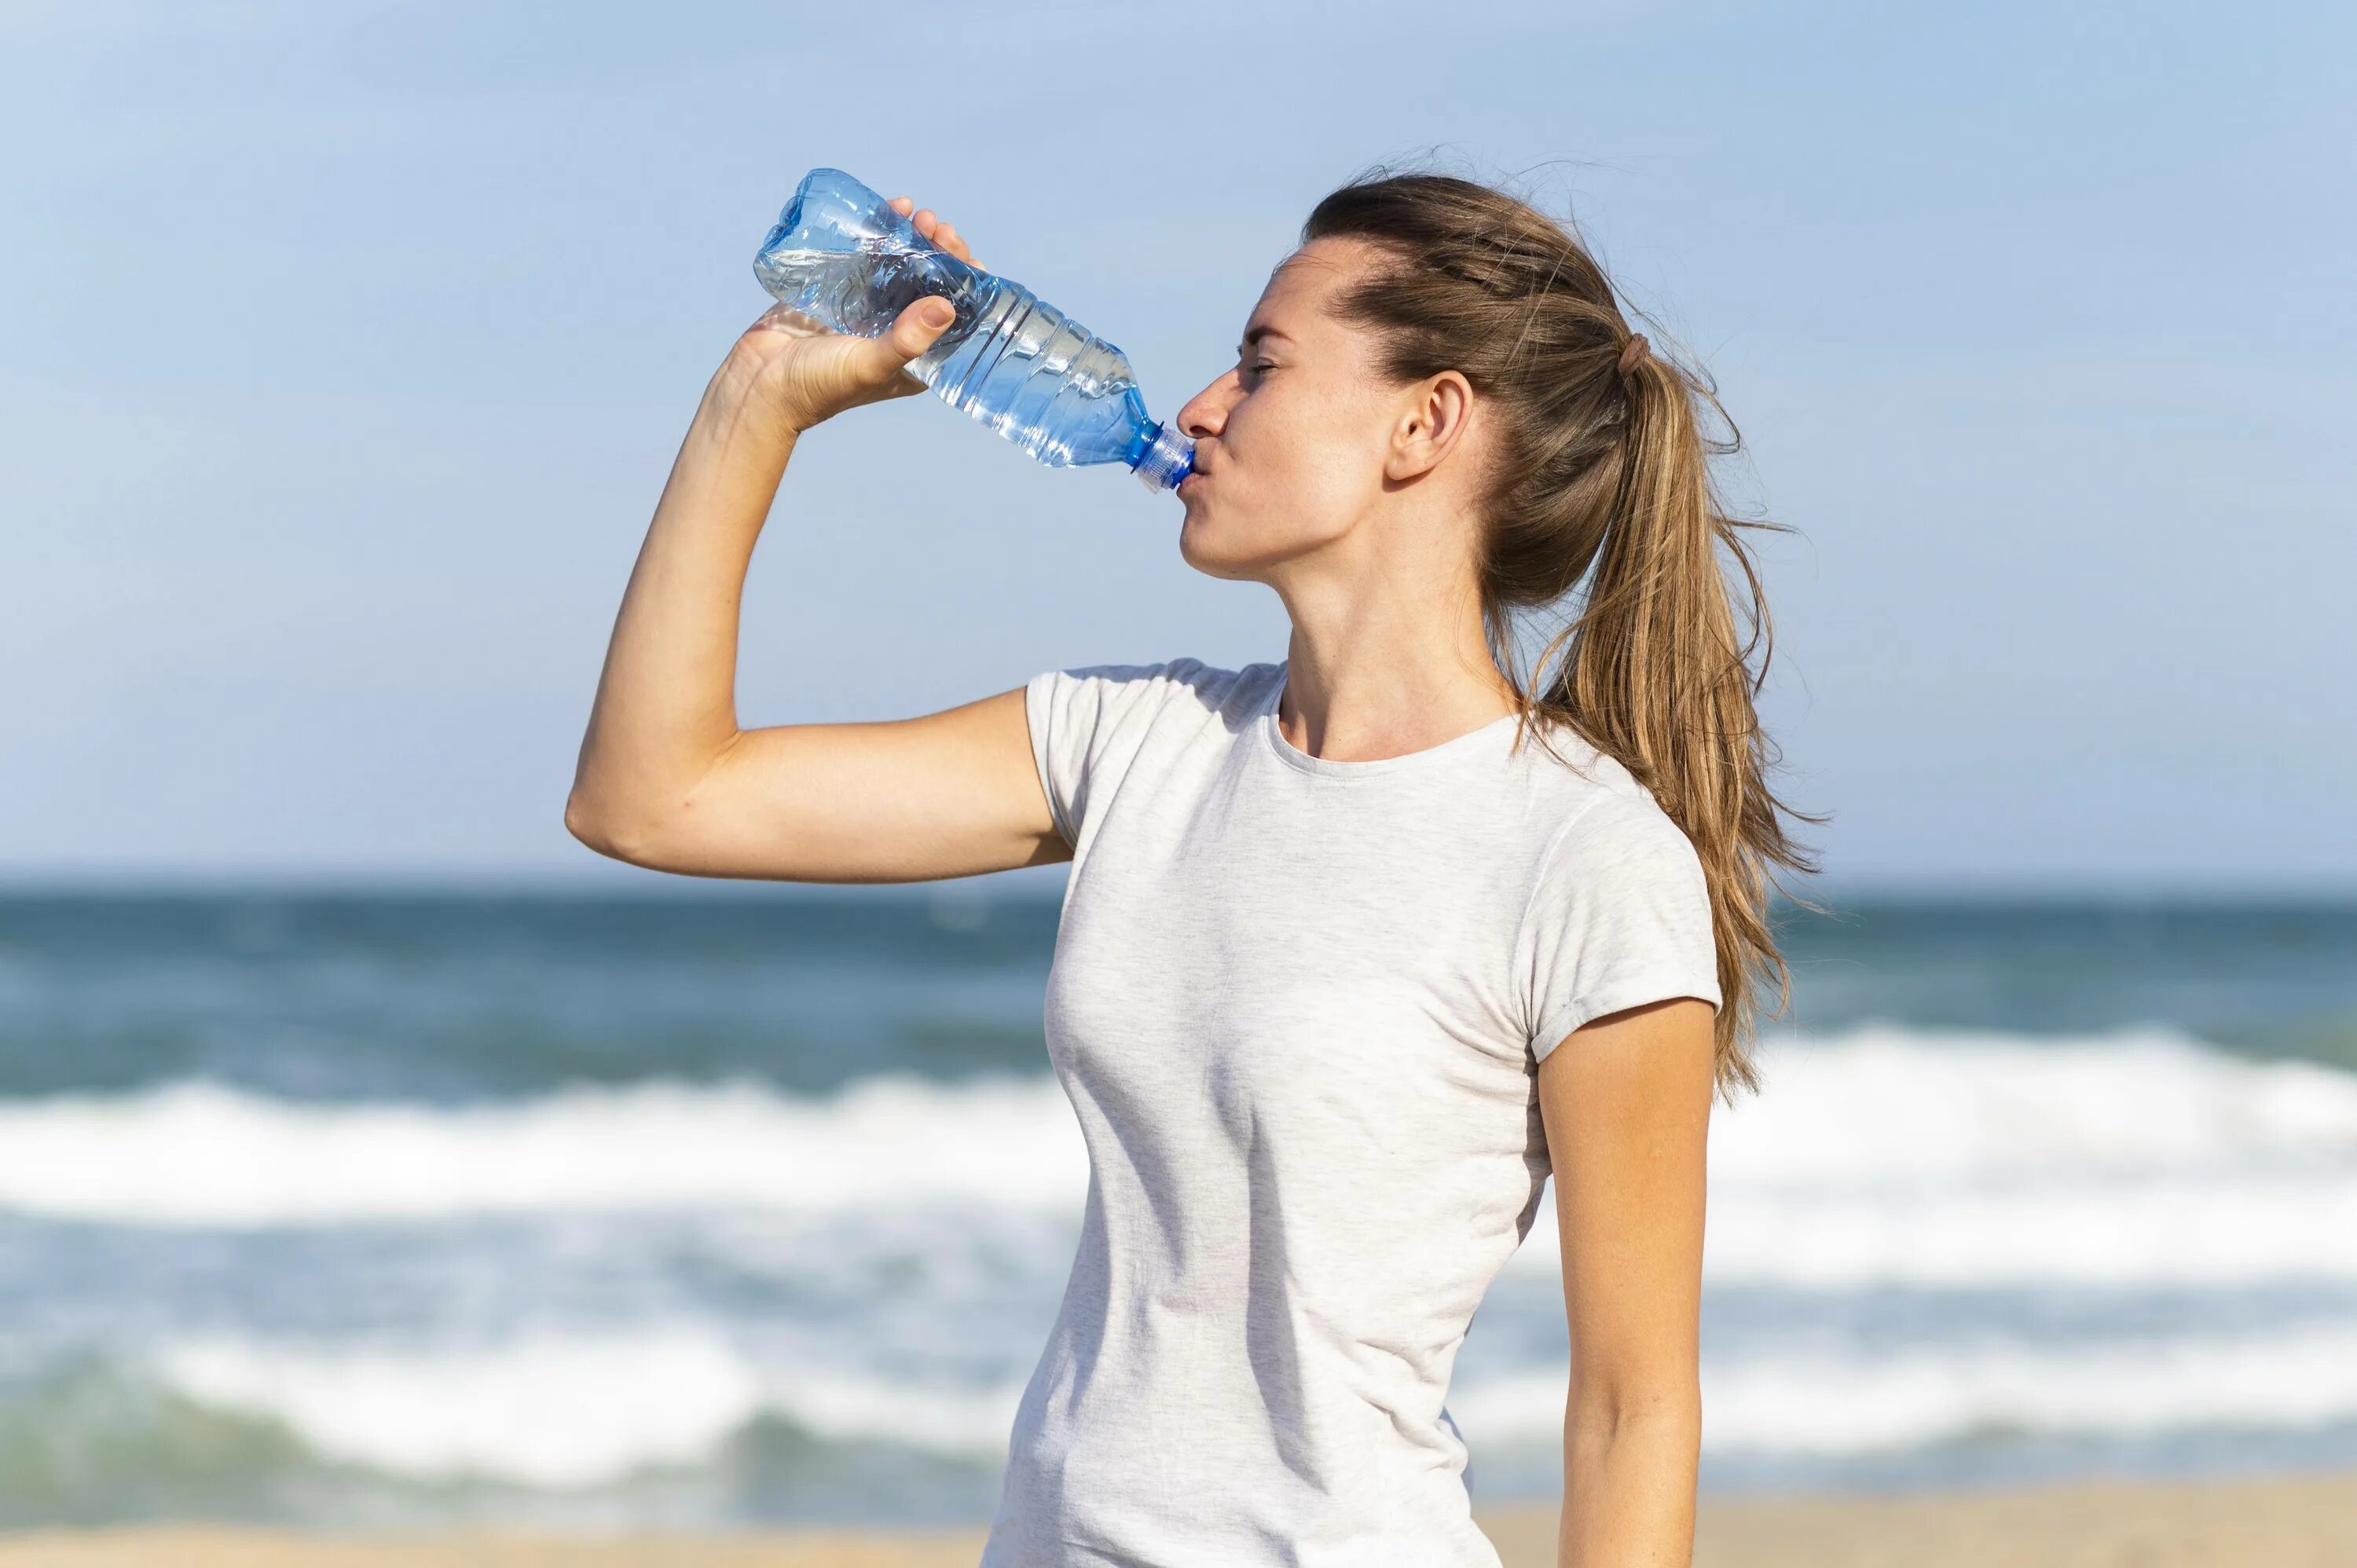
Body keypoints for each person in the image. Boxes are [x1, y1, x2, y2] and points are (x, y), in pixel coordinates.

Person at [566, 167, 1821, 1567]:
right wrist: (760, 407)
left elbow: (1634, 1410)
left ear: (1426, 422)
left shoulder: (1582, 855)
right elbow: (653, 800)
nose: (1203, 405)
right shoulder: (1136, 743)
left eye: (1261, 365)